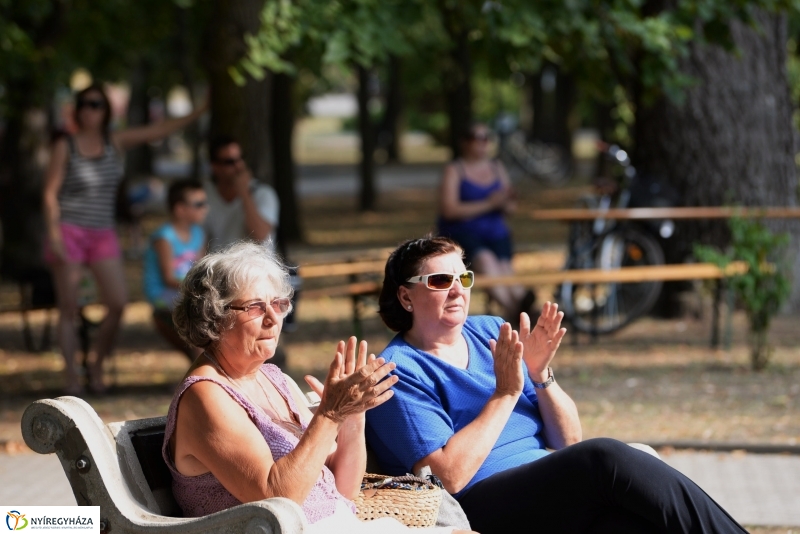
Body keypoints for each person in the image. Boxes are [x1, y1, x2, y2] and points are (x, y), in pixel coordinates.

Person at [365, 236, 748, 534]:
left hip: (548, 490)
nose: (457, 289)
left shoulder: (487, 332)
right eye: (440, 280)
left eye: (463, 277)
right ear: (406, 297)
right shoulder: (400, 370)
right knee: (604, 458)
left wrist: (539, 375)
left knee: (631, 527)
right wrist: (505, 394)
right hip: (479, 506)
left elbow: (568, 441)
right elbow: (448, 477)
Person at [162, 242, 474, 534]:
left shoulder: (273, 378)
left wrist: (352, 417)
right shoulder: (205, 395)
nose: (273, 318)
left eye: (279, 304)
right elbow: (276, 498)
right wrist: (329, 415)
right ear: (214, 316)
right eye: (256, 307)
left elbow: (344, 490)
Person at [42, 83, 208, 395]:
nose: (92, 110)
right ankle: (72, 380)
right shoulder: (65, 145)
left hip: (103, 232)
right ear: (78, 109)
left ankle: (96, 365)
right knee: (67, 307)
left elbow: (155, 131)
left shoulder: (113, 141)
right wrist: (54, 237)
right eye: (87, 104)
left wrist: (198, 111)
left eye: (98, 104)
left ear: (106, 111)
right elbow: (50, 194)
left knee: (117, 303)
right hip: (70, 231)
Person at [437, 123, 534, 319]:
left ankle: (522, 306)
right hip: (464, 234)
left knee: (505, 268)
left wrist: (508, 200)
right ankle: (517, 312)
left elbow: (509, 208)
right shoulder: (455, 170)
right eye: (477, 138)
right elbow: (449, 210)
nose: (483, 143)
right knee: (486, 261)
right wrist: (489, 204)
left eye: (486, 138)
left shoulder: (497, 167)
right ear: (464, 142)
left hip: (496, 233)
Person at [142, 178, 207, 360]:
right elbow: (168, 278)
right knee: (199, 314)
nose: (205, 208)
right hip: (163, 295)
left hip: (184, 291)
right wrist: (198, 288)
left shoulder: (198, 233)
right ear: (180, 209)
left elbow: (200, 270)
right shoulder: (165, 237)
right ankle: (200, 373)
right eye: (199, 204)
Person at [204, 135, 279, 252]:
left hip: (255, 267)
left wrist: (244, 193)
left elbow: (260, 236)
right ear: (215, 166)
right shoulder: (204, 195)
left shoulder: (264, 193)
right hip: (218, 267)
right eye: (230, 162)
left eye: (241, 158)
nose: (239, 166)